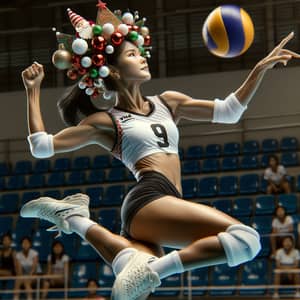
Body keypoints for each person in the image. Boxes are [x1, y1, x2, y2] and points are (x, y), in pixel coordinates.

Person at [19, 3, 300, 299]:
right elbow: (41, 146)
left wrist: (258, 70)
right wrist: (32, 91)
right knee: (246, 241)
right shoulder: (105, 120)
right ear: (112, 70)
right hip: (149, 197)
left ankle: (74, 217)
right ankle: (154, 271)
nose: (141, 58)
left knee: (129, 266)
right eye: (131, 54)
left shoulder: (169, 102)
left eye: (139, 52)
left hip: (166, 200)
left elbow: (229, 112)